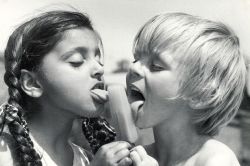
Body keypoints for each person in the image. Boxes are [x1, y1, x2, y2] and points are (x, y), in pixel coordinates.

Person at [0, 10, 133, 166]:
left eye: (99, 60)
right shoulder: (5, 153)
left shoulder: (86, 159)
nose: (99, 69)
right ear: (32, 83)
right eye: (76, 61)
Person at [126, 12, 245, 166]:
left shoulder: (215, 160)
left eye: (156, 66)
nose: (133, 67)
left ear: (201, 94)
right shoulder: (139, 155)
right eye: (136, 59)